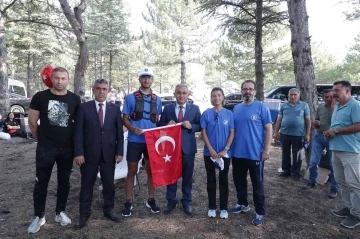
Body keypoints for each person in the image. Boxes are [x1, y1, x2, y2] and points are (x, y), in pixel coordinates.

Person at [27, 67, 81, 234]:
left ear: (68, 79)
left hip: (66, 149)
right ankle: (39, 216)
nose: (59, 81)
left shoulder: (74, 99)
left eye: (63, 78)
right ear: (52, 78)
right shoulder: (40, 97)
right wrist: (41, 140)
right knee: (41, 181)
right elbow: (32, 121)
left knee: (64, 181)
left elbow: (78, 125)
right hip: (46, 148)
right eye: (56, 78)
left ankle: (60, 212)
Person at [73, 79, 124, 228]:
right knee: (86, 184)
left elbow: (119, 133)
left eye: (104, 89)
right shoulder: (83, 108)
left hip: (109, 153)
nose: (101, 92)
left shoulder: (115, 109)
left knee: (109, 184)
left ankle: (108, 210)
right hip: (88, 154)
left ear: (108, 91)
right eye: (98, 88)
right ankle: (84, 214)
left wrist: (119, 152)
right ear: (93, 89)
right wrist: (79, 153)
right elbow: (78, 133)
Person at [230, 80, 272, 226]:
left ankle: (260, 212)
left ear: (254, 91)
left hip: (255, 154)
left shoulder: (261, 107)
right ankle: (243, 204)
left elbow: (268, 129)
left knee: (257, 184)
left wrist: (266, 150)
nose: (247, 91)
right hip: (237, 153)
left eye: (250, 89)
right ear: (241, 91)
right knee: (239, 180)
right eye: (245, 89)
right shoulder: (236, 108)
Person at [121, 67, 162, 216]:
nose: (146, 80)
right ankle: (128, 201)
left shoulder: (157, 99)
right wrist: (132, 128)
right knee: (131, 170)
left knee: (151, 171)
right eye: (144, 77)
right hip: (134, 140)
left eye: (149, 77)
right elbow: (125, 118)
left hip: (150, 141)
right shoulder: (131, 98)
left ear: (152, 80)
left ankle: (151, 199)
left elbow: (158, 121)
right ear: (139, 79)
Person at [159, 84, 201, 216]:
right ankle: (171, 200)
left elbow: (200, 125)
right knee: (171, 175)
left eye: (184, 93)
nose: (181, 95)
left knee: (187, 177)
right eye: (178, 93)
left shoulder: (194, 108)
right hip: (171, 149)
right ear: (174, 94)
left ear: (188, 95)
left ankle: (186, 200)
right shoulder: (168, 108)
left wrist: (191, 126)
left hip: (188, 148)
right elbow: (160, 124)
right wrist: (166, 125)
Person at [323, 81, 360, 229]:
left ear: (347, 91)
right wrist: (330, 133)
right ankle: (348, 207)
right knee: (341, 181)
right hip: (336, 148)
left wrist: (336, 131)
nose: (333, 93)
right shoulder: (337, 106)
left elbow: (358, 125)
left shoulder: (355, 105)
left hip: (351, 151)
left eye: (337, 90)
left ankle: (357, 214)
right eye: (333, 90)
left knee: (354, 184)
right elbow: (336, 126)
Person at [200, 87, 234, 219]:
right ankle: (212, 207)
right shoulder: (206, 113)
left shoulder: (229, 114)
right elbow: (204, 132)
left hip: (224, 154)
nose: (216, 98)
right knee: (211, 179)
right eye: (214, 96)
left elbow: (232, 132)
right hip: (210, 153)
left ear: (223, 97)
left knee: (223, 180)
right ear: (211, 98)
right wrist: (211, 150)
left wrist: (225, 149)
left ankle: (224, 208)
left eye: (219, 95)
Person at [303, 89, 339, 198]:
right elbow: (317, 121)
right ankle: (312, 181)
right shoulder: (320, 107)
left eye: (330, 96)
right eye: (326, 97)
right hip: (319, 136)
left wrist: (333, 108)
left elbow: (339, 123)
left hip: (333, 138)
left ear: (334, 96)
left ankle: (334, 188)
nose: (328, 99)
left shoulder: (339, 108)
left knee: (333, 164)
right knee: (313, 161)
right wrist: (316, 123)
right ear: (322, 98)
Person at [274, 88, 311, 181]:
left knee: (297, 155)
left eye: (295, 94)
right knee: (285, 153)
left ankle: (296, 173)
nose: (293, 96)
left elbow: (308, 120)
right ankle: (286, 170)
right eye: (291, 94)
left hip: (298, 135)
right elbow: (279, 119)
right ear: (288, 95)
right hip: (285, 133)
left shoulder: (304, 105)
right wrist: (276, 131)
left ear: (299, 96)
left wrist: (307, 134)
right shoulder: (284, 106)